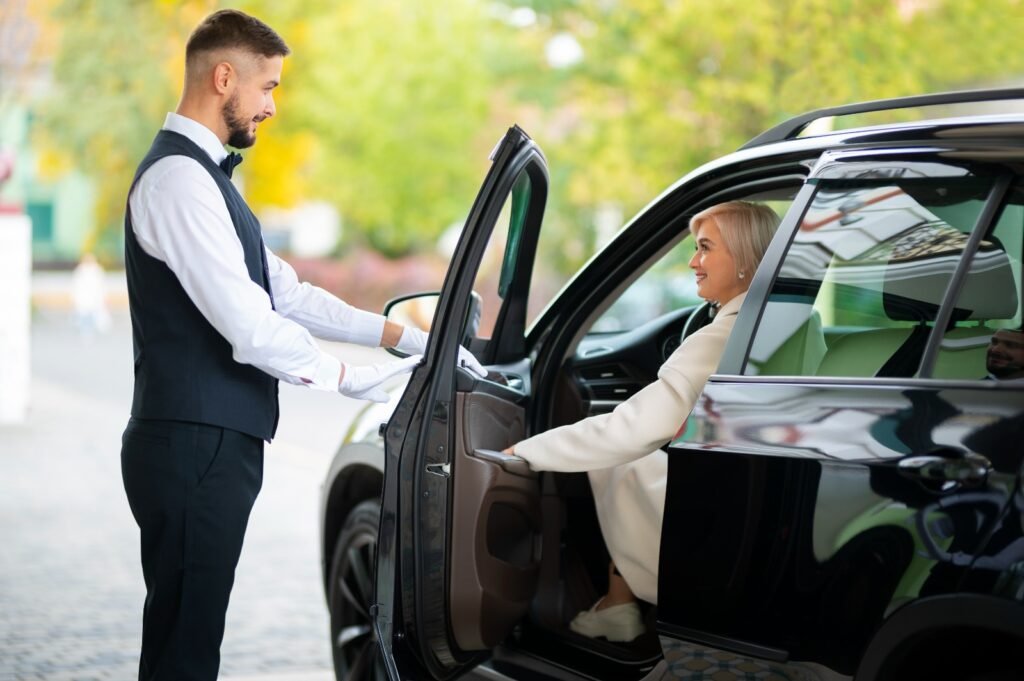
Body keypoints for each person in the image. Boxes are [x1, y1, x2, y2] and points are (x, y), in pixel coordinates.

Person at [119, 10, 484, 680]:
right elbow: (252, 325)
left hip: (207, 445)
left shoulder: (206, 180)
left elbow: (286, 291)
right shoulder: (179, 182)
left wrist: (402, 336)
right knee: (185, 646)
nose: (271, 107)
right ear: (222, 76)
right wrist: (357, 378)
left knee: (188, 635)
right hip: (193, 447)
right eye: (268, 87)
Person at [507, 201, 779, 642]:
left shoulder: (723, 338)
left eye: (706, 248)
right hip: (760, 506)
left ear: (746, 258)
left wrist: (525, 452)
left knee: (619, 458)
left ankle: (622, 602)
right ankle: (620, 601)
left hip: (724, 530)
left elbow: (630, 431)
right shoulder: (791, 323)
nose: (693, 261)